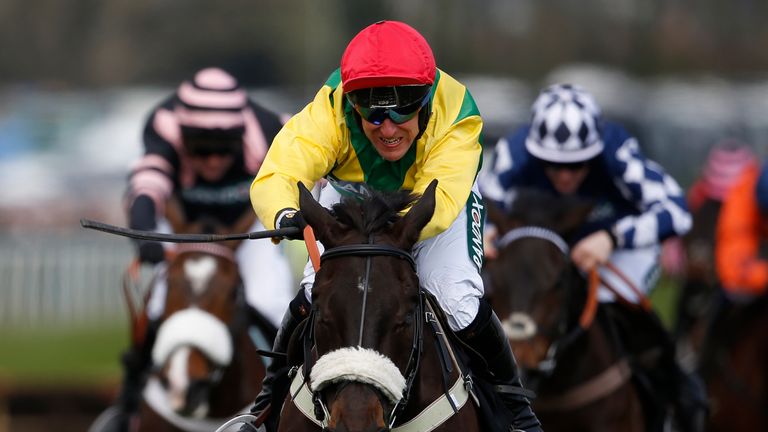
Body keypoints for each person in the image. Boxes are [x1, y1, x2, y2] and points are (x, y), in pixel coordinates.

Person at [244, 20, 541, 432]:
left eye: (403, 111)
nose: (387, 129)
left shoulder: (456, 113)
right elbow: (280, 170)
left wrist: (385, 238)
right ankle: (264, 408)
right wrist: (285, 214)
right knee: (315, 292)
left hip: (429, 205)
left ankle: (518, 414)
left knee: (455, 298)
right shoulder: (331, 105)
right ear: (353, 103)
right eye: (373, 113)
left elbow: (441, 200)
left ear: (426, 100)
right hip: (352, 199)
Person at [479, 83, 707, 432]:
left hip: (617, 245)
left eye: (577, 164)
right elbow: (481, 204)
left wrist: (612, 237)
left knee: (613, 302)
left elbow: (677, 212)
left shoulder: (617, 149)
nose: (565, 175)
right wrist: (486, 230)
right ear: (535, 150)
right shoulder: (514, 150)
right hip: (552, 247)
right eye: (553, 164)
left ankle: (674, 392)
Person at [115, 67, 295, 429]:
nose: (213, 161)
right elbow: (147, 184)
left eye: (224, 150)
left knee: (271, 301)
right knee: (159, 303)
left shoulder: (271, 128)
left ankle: (286, 398)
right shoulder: (163, 124)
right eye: (201, 150)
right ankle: (129, 401)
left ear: (239, 137)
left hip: (249, 223)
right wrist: (144, 236)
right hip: (183, 222)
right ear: (184, 138)